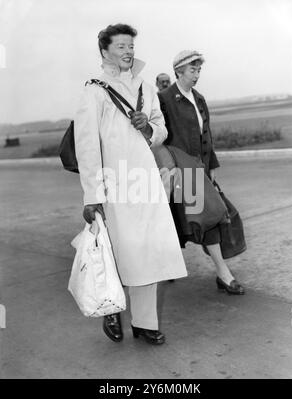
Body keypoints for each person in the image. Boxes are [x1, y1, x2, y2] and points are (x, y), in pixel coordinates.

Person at [74, 24, 187, 345]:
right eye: (121, 46)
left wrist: (149, 128)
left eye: (131, 46)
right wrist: (92, 195)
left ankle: (144, 323)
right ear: (105, 51)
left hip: (146, 180)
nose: (128, 51)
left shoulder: (146, 87)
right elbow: (86, 146)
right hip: (113, 184)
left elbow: (162, 129)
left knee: (148, 252)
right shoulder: (93, 90)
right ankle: (111, 307)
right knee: (119, 252)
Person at [158, 50, 245, 295]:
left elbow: (206, 135)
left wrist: (212, 166)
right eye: (192, 70)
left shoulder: (199, 98)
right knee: (176, 221)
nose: (196, 75)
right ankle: (166, 265)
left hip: (200, 170)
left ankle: (222, 273)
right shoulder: (164, 99)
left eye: (199, 70)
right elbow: (157, 137)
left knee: (207, 218)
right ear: (179, 72)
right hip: (179, 170)